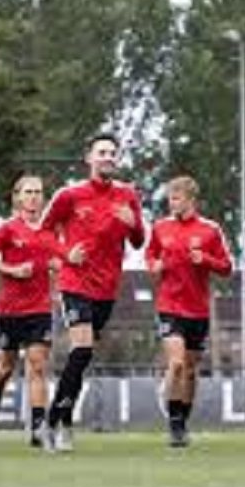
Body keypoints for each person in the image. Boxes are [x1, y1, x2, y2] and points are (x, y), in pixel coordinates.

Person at [39, 133, 145, 452]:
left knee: (82, 357)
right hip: (74, 282)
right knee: (82, 348)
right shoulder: (69, 196)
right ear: (88, 158)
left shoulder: (127, 195)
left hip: (107, 287)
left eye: (112, 152)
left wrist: (134, 224)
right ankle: (53, 421)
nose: (107, 157)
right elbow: (42, 233)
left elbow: (139, 242)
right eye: (102, 152)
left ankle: (65, 418)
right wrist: (64, 253)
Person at [145, 176, 232, 447]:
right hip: (169, 306)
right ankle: (172, 417)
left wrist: (204, 259)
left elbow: (227, 267)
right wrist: (154, 266)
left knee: (191, 371)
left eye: (177, 198)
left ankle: (182, 421)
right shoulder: (160, 227)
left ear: (191, 200)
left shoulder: (210, 230)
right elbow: (150, 256)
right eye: (170, 198)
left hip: (198, 310)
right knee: (178, 363)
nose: (172, 203)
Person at [0, 175, 65, 447]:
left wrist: (57, 266)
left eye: (38, 192)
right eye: (28, 192)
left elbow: (59, 261)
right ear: (17, 197)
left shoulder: (52, 231)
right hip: (10, 309)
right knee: (6, 367)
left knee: (38, 366)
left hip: (39, 308)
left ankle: (38, 427)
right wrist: (12, 270)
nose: (33, 197)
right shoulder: (7, 229)